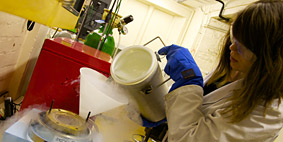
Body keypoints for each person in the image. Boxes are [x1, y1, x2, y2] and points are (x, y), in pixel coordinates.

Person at [157, 0, 283, 141]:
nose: (232, 48)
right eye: (234, 38)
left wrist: (188, 84)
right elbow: (193, 113)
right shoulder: (234, 70)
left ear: (271, 58)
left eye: (244, 46)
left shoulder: (267, 114)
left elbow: (188, 138)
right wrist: (162, 113)